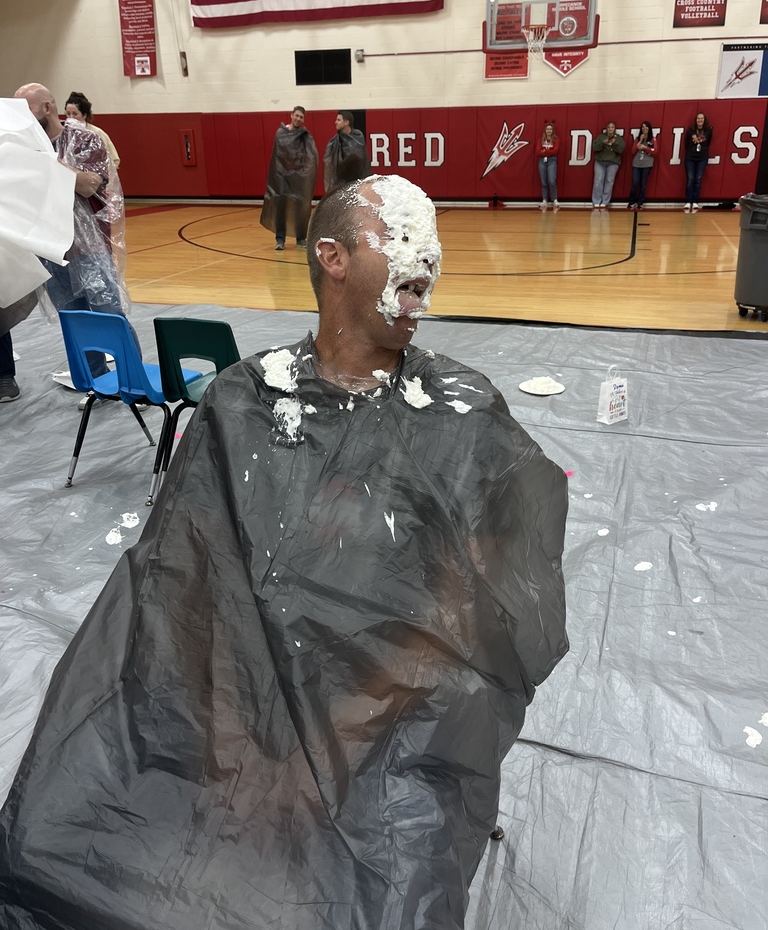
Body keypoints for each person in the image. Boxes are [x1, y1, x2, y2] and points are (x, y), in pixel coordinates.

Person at [0, 174, 569, 930]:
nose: (425, 260)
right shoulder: (243, 401)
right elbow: (183, 591)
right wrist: (241, 738)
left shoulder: (463, 417)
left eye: (432, 244)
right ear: (332, 257)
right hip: (236, 712)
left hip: (384, 725)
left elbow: (468, 627)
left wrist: (330, 745)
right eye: (400, 238)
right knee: (56, 847)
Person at [14, 83, 134, 388]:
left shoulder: (85, 139)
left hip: (88, 246)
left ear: (46, 108)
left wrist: (45, 159)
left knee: (109, 312)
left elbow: (89, 186)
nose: (22, 121)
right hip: (49, 249)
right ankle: (96, 383)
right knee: (74, 321)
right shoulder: (21, 149)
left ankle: (132, 378)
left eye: (26, 111)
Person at [260, 105, 318, 251]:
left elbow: (311, 157)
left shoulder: (305, 135)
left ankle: (300, 238)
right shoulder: (280, 133)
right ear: (291, 115)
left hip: (299, 178)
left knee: (301, 207)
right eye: (297, 115)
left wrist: (304, 175)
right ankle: (280, 239)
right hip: (282, 177)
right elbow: (277, 157)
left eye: (301, 117)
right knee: (281, 206)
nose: (298, 119)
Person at [64, 90, 121, 168]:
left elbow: (114, 160)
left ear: (84, 115)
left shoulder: (96, 133)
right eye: (68, 113)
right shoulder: (64, 134)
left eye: (75, 114)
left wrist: (101, 175)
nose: (71, 117)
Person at [322, 109, 371, 193]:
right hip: (341, 182)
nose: (335, 122)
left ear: (346, 122)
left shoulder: (358, 136)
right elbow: (329, 165)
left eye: (338, 120)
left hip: (356, 180)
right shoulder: (333, 142)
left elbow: (360, 159)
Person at [591, 121, 625, 208]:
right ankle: (596, 201)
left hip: (613, 163)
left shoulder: (618, 138)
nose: (610, 129)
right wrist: (603, 143)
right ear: (606, 129)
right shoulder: (601, 137)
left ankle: (605, 201)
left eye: (612, 127)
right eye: (609, 127)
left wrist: (614, 144)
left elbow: (621, 150)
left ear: (614, 129)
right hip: (600, 161)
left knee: (609, 181)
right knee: (598, 180)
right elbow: (594, 147)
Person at [684, 112, 713, 212]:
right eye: (698, 118)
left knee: (698, 179)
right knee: (690, 179)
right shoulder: (691, 130)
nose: (700, 120)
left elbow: (707, 141)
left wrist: (698, 139)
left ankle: (695, 201)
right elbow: (686, 144)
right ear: (695, 120)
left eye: (702, 119)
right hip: (690, 158)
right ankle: (688, 201)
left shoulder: (708, 130)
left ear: (704, 120)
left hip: (702, 158)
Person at [627, 121, 658, 210]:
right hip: (637, 164)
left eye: (646, 127)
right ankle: (631, 202)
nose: (644, 128)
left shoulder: (652, 139)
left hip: (647, 164)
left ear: (649, 128)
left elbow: (655, 150)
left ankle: (640, 202)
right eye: (643, 127)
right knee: (635, 182)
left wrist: (646, 148)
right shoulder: (637, 138)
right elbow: (633, 151)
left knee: (643, 183)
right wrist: (640, 141)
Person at [536, 120, 560, 210]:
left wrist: (545, 151)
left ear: (553, 130)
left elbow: (556, 150)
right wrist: (548, 151)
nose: (549, 131)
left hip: (552, 161)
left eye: (550, 129)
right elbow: (538, 151)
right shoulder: (540, 139)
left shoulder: (556, 139)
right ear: (545, 130)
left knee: (552, 180)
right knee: (543, 181)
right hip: (542, 161)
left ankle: (554, 199)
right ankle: (544, 199)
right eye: (547, 129)